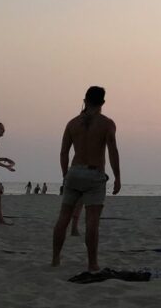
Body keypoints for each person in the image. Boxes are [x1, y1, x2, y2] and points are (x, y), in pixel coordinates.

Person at [51, 86, 121, 271]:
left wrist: (65, 174)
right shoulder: (107, 123)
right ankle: (92, 263)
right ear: (103, 103)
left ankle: (55, 259)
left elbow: (64, 152)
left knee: (63, 218)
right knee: (92, 221)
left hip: (75, 171)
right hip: (94, 174)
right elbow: (112, 151)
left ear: (85, 100)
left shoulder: (72, 123)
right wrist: (117, 176)